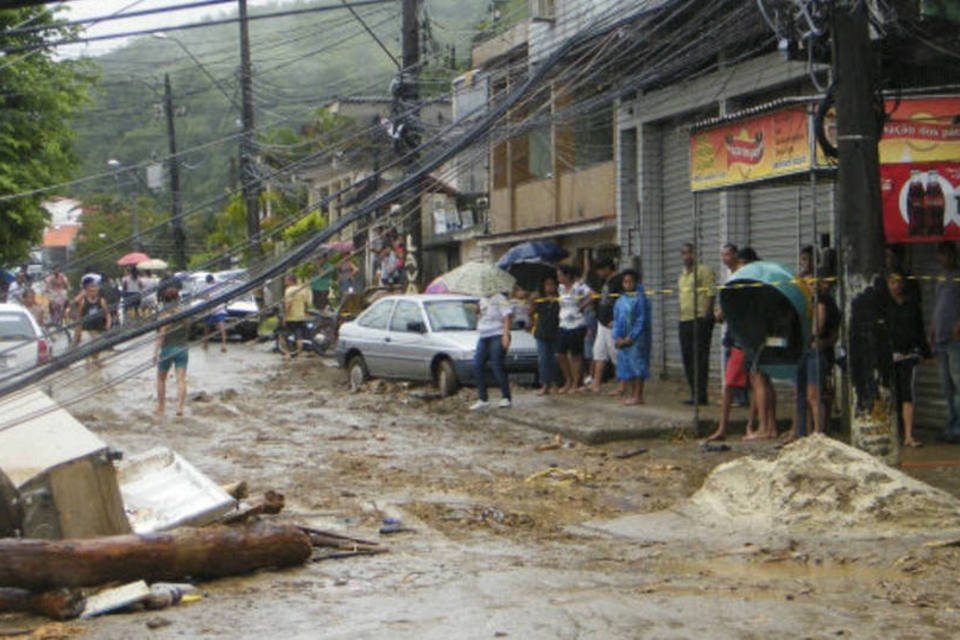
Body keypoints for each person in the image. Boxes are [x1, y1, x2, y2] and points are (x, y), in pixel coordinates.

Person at [795, 250, 841, 437]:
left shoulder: (822, 303)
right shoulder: (810, 302)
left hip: (817, 353)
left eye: (814, 283)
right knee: (806, 396)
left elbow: (817, 329)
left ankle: (818, 432)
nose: (811, 287)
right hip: (811, 351)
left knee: (814, 397)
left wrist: (809, 336)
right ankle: (806, 431)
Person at [885, 269, 930, 447]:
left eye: (898, 282)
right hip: (889, 356)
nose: (896, 286)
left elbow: (919, 330)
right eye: (892, 282)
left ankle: (908, 435)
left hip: (908, 355)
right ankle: (894, 432)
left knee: (907, 394)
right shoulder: (885, 306)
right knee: (891, 395)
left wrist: (925, 352)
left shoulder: (911, 306)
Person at [677, 243, 716, 405]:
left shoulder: (703, 271)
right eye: (684, 253)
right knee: (687, 358)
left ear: (694, 254)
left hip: (699, 318)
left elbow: (711, 292)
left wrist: (708, 313)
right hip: (684, 319)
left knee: (699, 357)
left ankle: (701, 394)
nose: (686, 256)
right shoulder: (682, 275)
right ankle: (694, 393)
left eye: (689, 253)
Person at [931, 241, 960, 444]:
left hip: (955, 338)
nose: (940, 259)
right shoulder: (941, 277)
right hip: (940, 336)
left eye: (943, 255)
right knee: (946, 386)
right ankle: (951, 425)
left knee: (958, 382)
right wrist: (932, 327)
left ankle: (957, 428)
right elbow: (938, 304)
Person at [470, 290, 513, 411]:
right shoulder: (482, 299)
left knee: (497, 364)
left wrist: (505, 335)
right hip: (484, 335)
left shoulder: (500, 299)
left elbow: (507, 316)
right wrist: (478, 312)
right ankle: (483, 398)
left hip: (497, 333)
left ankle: (506, 396)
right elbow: (481, 316)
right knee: (477, 364)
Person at [613, 269, 650, 406]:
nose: (627, 285)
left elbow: (641, 319)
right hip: (623, 338)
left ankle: (638, 395)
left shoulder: (640, 299)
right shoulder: (620, 300)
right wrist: (617, 337)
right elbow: (616, 320)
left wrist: (631, 337)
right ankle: (632, 394)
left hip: (636, 339)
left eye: (630, 282)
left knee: (638, 366)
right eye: (625, 282)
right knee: (627, 366)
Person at [556, 264, 593, 394]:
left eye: (560, 275)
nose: (558, 277)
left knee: (575, 355)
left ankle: (576, 383)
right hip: (563, 323)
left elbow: (592, 295)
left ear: (567, 275)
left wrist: (582, 306)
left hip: (577, 323)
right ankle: (568, 380)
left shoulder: (579, 286)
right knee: (560, 354)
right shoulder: (560, 288)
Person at [154, 288, 189, 417]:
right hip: (183, 349)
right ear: (178, 299)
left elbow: (161, 335)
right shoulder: (185, 314)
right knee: (181, 380)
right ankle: (180, 407)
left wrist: (155, 353)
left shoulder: (164, 316)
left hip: (167, 350)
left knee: (161, 379)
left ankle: (161, 407)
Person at [589, 258, 621, 395]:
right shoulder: (605, 282)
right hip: (602, 322)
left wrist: (617, 320)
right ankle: (596, 383)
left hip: (612, 323)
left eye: (600, 270)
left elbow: (621, 302)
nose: (599, 273)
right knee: (598, 353)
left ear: (608, 268)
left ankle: (622, 384)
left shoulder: (618, 281)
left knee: (616, 355)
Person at [531, 275, 561, 396]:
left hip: (556, 332)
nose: (549, 287)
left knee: (555, 359)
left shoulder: (560, 298)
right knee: (543, 359)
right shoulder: (540, 299)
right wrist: (532, 302)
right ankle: (544, 384)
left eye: (552, 284)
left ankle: (555, 383)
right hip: (542, 332)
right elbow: (530, 312)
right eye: (547, 284)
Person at [73, 275, 111, 368]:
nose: (94, 290)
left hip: (98, 328)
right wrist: (78, 331)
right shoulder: (83, 301)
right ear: (86, 290)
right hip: (86, 328)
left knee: (98, 346)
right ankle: (87, 362)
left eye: (95, 287)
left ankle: (96, 360)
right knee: (87, 344)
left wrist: (108, 323)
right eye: (91, 288)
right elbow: (79, 316)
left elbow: (107, 313)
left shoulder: (101, 301)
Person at [280, 273, 311, 360]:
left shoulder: (289, 290)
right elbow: (306, 303)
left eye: (286, 280)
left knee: (282, 336)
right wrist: (305, 312)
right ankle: (299, 355)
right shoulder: (302, 290)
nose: (285, 282)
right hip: (300, 316)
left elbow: (288, 305)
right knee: (299, 336)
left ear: (290, 281)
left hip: (291, 317)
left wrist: (285, 316)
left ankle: (287, 354)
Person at [201, 274, 228, 353]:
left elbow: (206, 297)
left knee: (208, 327)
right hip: (216, 309)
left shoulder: (208, 287)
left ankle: (207, 344)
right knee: (219, 326)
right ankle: (222, 344)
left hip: (215, 309)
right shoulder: (218, 285)